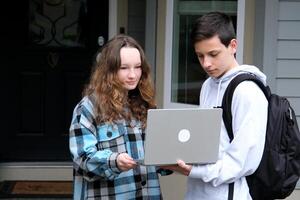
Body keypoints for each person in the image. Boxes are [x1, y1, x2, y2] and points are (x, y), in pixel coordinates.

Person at [163, 12, 268, 199]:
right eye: (200, 56)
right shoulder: (208, 85)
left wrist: (194, 171)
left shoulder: (247, 92)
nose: (206, 64)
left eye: (213, 54)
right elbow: (208, 144)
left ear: (232, 46)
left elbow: (242, 161)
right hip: (197, 192)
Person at [69, 34, 169, 199]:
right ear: (108, 70)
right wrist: (114, 160)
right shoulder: (88, 108)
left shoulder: (146, 105)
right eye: (124, 68)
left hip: (148, 194)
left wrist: (172, 158)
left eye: (137, 67)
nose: (133, 75)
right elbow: (82, 159)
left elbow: (155, 157)